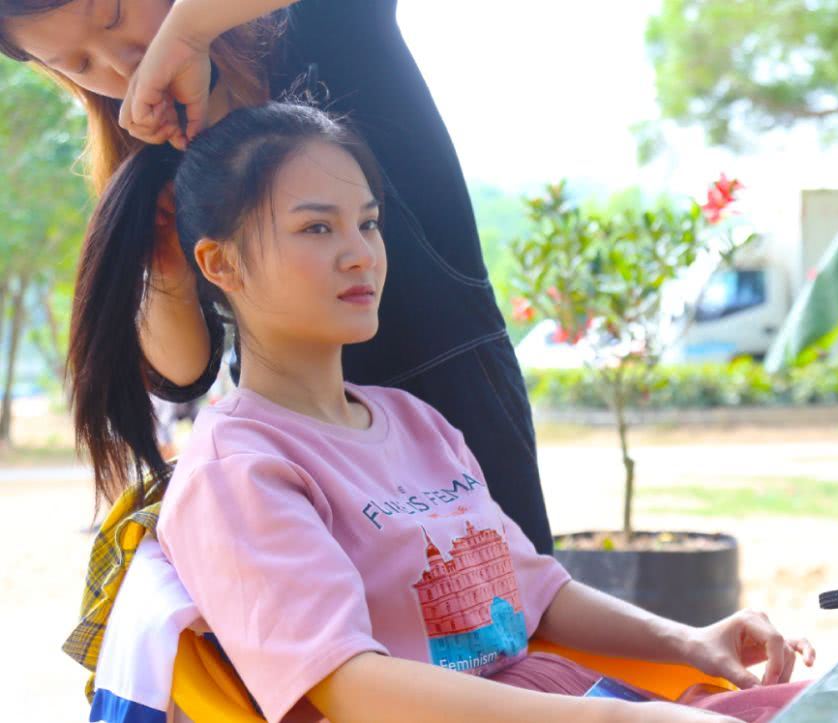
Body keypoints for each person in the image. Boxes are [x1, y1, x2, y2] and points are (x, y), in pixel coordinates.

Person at [68, 101, 814, 723]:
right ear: (220, 263)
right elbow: (349, 687)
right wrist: (622, 719)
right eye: (317, 228)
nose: (361, 253)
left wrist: (691, 641)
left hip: (560, 697)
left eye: (368, 222)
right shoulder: (239, 468)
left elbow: (536, 590)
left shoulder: (415, 421)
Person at [0, 0, 556, 553]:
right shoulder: (151, 146)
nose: (119, 65)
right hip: (292, 450)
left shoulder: (315, 22)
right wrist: (166, 265)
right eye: (78, 63)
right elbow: (183, 374)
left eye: (115, 17)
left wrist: (188, 34)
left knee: (512, 602)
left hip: (453, 395)